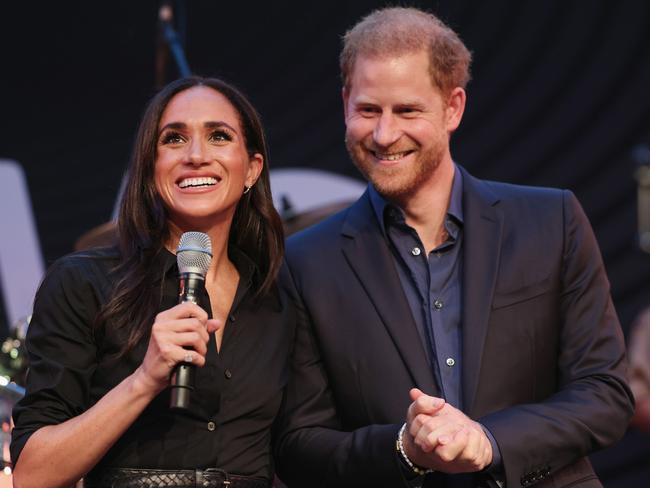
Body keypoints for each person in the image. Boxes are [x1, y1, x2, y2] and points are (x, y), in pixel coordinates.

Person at [276, 7, 634, 488]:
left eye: (407, 110)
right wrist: (402, 446)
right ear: (345, 104)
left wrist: (491, 441)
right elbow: (298, 444)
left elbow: (605, 393)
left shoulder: (552, 222)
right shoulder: (305, 262)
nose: (384, 135)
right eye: (367, 110)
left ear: (453, 108)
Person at [11, 76, 291, 488]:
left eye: (218, 136)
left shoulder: (278, 297)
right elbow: (33, 476)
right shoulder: (84, 284)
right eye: (173, 139)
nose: (196, 155)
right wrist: (144, 380)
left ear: (251, 168)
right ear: (149, 168)